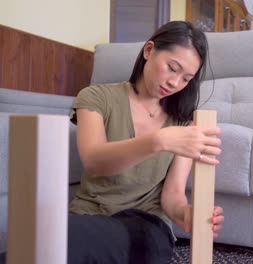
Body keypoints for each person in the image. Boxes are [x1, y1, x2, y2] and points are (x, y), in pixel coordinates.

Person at [65, 21, 224, 264]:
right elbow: (94, 160)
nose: (175, 83)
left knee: (67, 244)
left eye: (186, 79)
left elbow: (173, 195)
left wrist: (187, 214)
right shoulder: (96, 97)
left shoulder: (183, 122)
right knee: (53, 241)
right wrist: (157, 140)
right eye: (172, 68)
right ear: (149, 51)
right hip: (89, 214)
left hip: (147, 223)